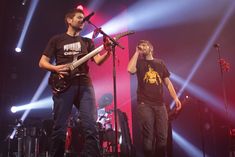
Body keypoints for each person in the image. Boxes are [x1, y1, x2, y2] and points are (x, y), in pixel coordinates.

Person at [39, 8, 111, 157]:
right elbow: (42, 63)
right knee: (60, 128)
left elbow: (98, 61)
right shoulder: (57, 39)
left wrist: (108, 51)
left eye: (83, 18)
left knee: (91, 126)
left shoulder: (87, 41)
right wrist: (56, 68)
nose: (82, 21)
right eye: (79, 17)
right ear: (69, 20)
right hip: (63, 85)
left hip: (85, 85)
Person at [127, 40, 182, 157]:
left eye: (144, 45)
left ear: (151, 48)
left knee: (163, 137)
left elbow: (167, 83)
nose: (141, 47)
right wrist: (136, 53)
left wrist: (176, 98)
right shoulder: (139, 62)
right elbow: (130, 70)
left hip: (160, 104)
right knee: (148, 137)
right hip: (144, 104)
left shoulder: (160, 63)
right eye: (140, 45)